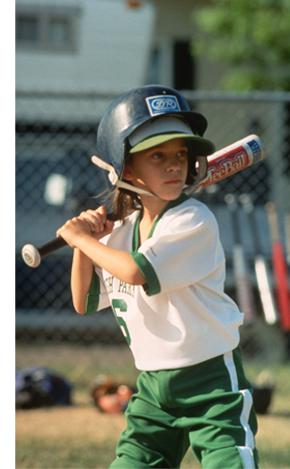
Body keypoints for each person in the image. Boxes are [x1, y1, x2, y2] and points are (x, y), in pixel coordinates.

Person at [56, 85, 258, 468]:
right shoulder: (119, 232)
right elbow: (83, 301)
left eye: (181, 154)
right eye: (158, 155)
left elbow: (135, 272)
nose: (173, 165)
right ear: (126, 168)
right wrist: (83, 244)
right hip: (152, 389)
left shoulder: (192, 219)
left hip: (210, 381)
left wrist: (84, 239)